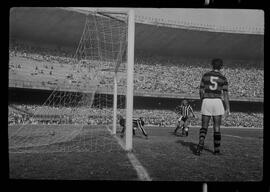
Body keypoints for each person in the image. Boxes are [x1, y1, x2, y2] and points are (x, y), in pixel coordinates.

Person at [195, 58, 230, 156]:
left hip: (207, 100)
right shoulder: (223, 78)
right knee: (217, 126)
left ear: (212, 65)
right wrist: (227, 108)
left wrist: (203, 100)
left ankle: (200, 143)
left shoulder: (205, 75)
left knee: (204, 126)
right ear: (221, 66)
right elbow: (226, 95)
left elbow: (201, 91)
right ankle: (217, 150)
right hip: (217, 101)